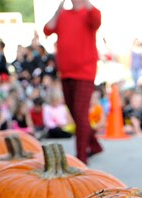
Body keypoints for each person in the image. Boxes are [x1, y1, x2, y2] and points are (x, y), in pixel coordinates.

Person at [43, 0, 103, 163]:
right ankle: (95, 145)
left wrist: (86, 3)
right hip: (66, 72)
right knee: (75, 112)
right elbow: (47, 30)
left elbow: (97, 20)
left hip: (85, 72)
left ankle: (81, 155)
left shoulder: (88, 13)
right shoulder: (63, 14)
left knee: (80, 112)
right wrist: (58, 10)